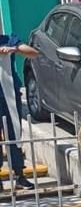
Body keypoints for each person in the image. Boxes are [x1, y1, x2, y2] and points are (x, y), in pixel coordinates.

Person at [0, 35, 39, 191]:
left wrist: (14, 49)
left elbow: (33, 53)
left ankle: (19, 175)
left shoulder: (8, 39)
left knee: (14, 133)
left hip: (9, 94)